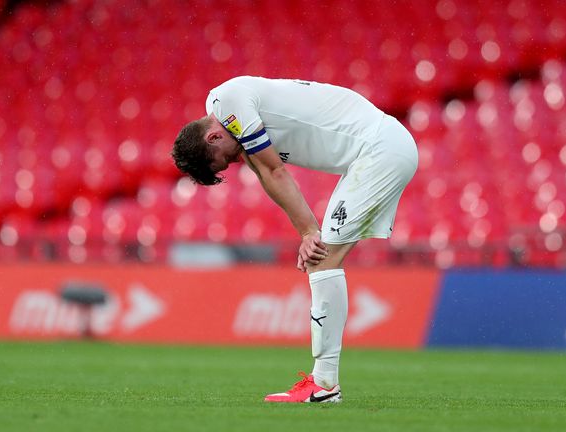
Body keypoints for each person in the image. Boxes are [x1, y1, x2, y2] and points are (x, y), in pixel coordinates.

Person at [171, 76, 418, 403]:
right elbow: (264, 174)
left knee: (322, 259)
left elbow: (274, 172)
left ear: (214, 135)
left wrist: (308, 232)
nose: (234, 162)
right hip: (372, 153)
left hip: (380, 150)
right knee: (322, 258)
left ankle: (325, 384)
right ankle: (323, 382)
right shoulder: (227, 114)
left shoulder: (230, 103)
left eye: (227, 159)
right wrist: (307, 231)